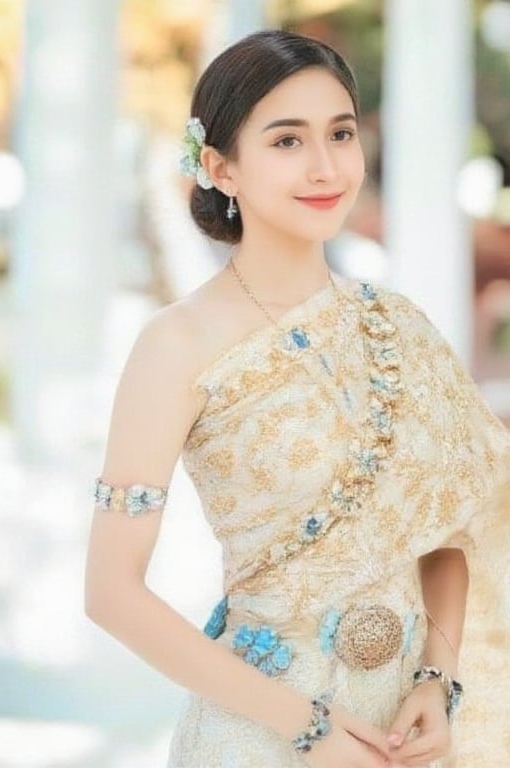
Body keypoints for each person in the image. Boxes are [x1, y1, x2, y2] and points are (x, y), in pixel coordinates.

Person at [84, 29, 510, 768]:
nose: (325, 167)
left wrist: (438, 682)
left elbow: (450, 532)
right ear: (220, 166)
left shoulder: (398, 323)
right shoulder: (176, 345)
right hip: (260, 732)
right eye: (286, 141)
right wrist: (304, 724)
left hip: (407, 737)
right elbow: (111, 594)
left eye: (339, 134)